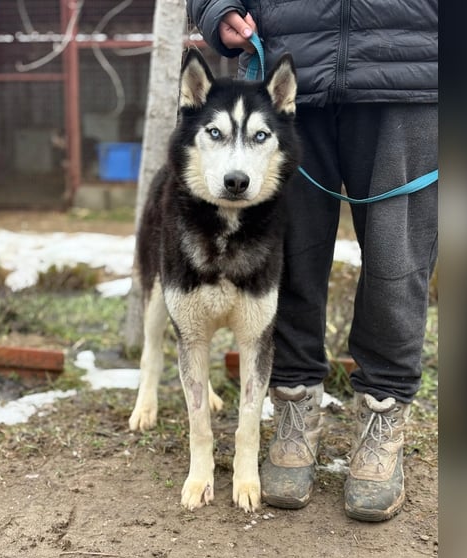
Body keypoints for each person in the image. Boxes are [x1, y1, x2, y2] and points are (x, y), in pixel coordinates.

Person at [187, 1, 438, 522]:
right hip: (289, 70)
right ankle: (295, 403)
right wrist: (217, 8)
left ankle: (384, 413)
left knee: (399, 260)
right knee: (288, 258)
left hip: (412, 69)